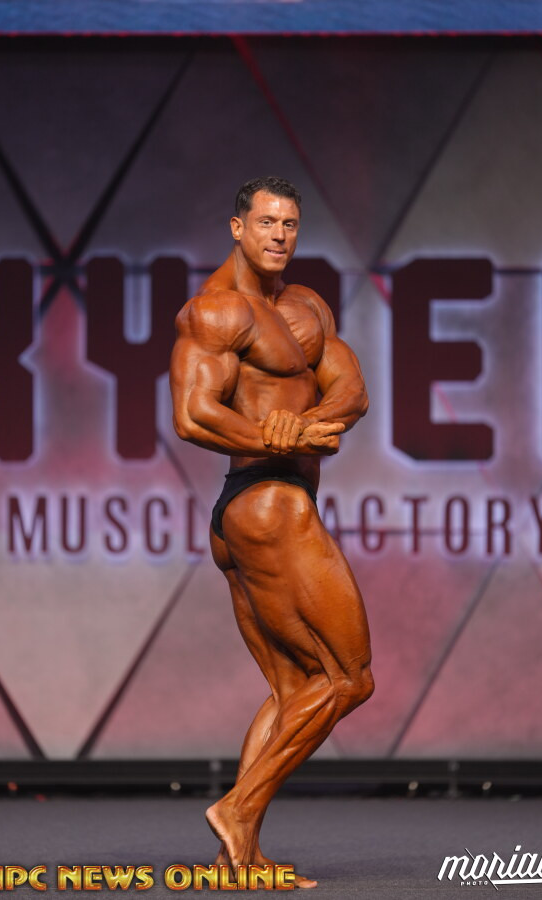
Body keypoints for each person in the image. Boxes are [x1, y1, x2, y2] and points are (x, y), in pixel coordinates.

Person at [170, 176, 374, 888]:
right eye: (266, 222)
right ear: (237, 228)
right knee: (348, 677)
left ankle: (240, 857)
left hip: (255, 511)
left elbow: (352, 390)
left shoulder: (307, 306)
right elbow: (192, 414)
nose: (279, 235)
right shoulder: (216, 311)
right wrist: (274, 436)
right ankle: (238, 808)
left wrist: (311, 422)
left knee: (295, 688)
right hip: (269, 506)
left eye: (289, 224)